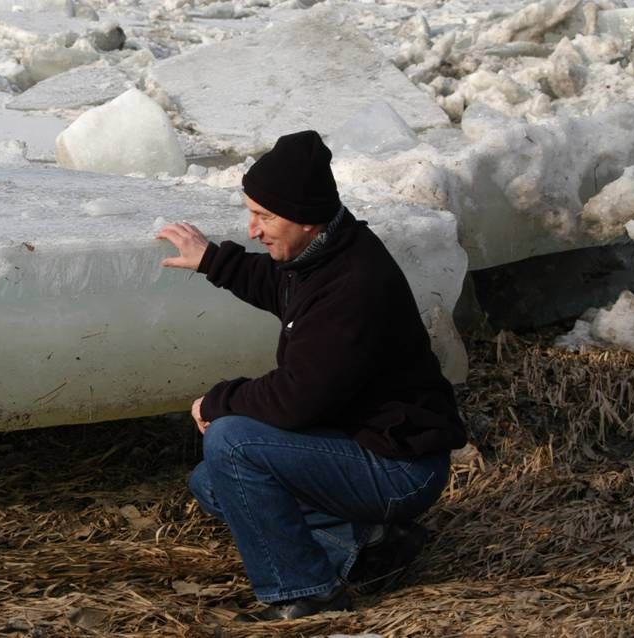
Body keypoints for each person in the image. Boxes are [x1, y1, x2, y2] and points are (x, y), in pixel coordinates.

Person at [155, 131, 466, 622]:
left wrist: (217, 402)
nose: (252, 229)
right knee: (214, 482)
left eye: (264, 216)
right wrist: (213, 261)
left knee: (233, 444)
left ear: (303, 217)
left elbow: (297, 399)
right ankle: (372, 539)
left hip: (400, 468)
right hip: (364, 446)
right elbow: (278, 286)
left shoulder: (353, 286)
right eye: (251, 212)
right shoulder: (323, 251)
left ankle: (306, 592)